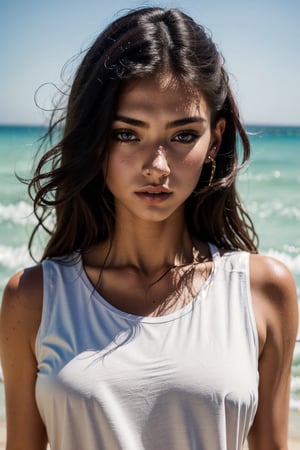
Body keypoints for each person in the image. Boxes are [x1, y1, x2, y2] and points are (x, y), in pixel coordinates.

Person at [0, 6, 298, 450]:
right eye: (127, 134)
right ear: (96, 137)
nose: (156, 166)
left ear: (214, 139)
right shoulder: (34, 298)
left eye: (182, 136)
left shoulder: (263, 291)